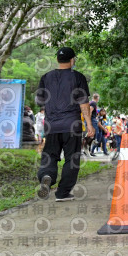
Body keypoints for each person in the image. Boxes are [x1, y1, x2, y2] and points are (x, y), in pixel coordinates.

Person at [36, 47, 94, 201]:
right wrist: (89, 125)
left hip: (52, 125)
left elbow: (40, 101)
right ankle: (62, 193)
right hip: (72, 125)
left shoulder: (46, 77)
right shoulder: (78, 77)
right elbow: (83, 103)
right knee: (72, 159)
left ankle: (47, 175)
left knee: (50, 155)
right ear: (72, 60)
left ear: (57, 60)